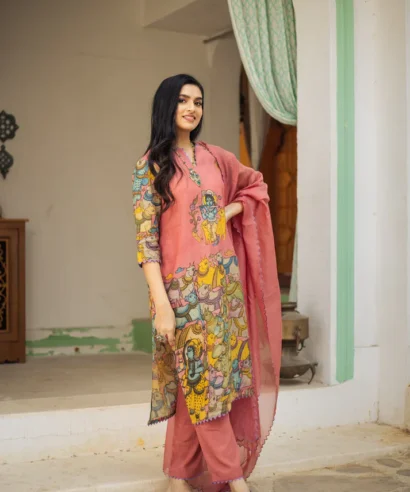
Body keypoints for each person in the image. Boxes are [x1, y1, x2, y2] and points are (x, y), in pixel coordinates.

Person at [132, 74, 282, 492]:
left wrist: (231, 210)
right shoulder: (150, 166)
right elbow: (146, 244)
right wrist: (162, 305)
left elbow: (257, 186)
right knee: (205, 385)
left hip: (224, 291)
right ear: (167, 105)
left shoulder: (217, 158)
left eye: (198, 102)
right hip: (181, 294)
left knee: (199, 385)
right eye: (183, 100)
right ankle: (234, 479)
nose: (191, 108)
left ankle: (178, 476)